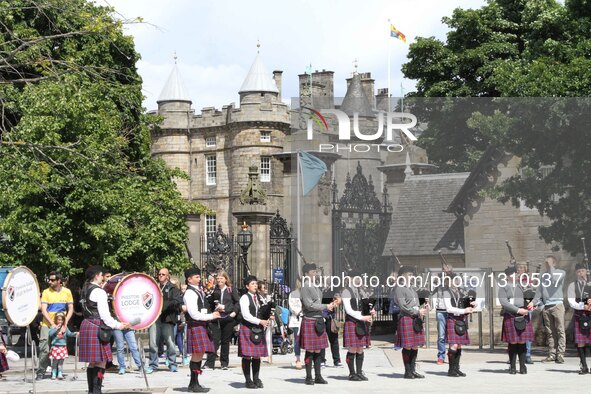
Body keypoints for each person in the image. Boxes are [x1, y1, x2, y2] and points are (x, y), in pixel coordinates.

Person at [79, 266, 130, 394]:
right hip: (97, 326)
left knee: (92, 362)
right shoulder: (99, 291)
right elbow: (105, 316)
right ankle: (97, 391)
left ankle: (92, 391)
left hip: (86, 324)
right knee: (101, 362)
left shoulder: (84, 289)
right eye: (102, 275)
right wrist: (118, 325)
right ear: (97, 275)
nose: (103, 278)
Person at [299, 263, 340, 385]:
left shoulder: (316, 286)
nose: (315, 274)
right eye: (312, 272)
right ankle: (308, 377)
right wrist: (325, 306)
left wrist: (331, 303)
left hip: (319, 320)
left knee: (318, 350)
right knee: (310, 350)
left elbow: (320, 302)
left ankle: (318, 376)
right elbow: (309, 305)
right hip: (310, 320)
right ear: (306, 274)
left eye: (315, 272)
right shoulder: (306, 286)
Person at [183, 267, 220, 393]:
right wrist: (211, 316)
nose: (199, 279)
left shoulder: (198, 291)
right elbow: (194, 314)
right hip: (196, 324)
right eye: (196, 277)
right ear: (189, 279)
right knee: (197, 355)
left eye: (199, 277)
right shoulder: (190, 293)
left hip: (201, 324)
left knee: (199, 354)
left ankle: (194, 383)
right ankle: (193, 384)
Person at [37, 271, 74, 380]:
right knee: (45, 348)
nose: (50, 281)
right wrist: (52, 324)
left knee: (60, 347)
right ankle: (41, 371)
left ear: (59, 281)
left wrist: (65, 322)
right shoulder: (46, 292)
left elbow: (70, 308)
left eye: (52, 280)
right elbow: (44, 310)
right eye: (49, 279)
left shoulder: (67, 292)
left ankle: (57, 371)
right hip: (47, 324)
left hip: (61, 324)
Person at [395, 266, 429, 379]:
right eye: (409, 275)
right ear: (403, 276)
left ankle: (413, 370)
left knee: (415, 346)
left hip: (415, 318)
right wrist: (417, 311)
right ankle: (407, 371)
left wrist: (423, 306)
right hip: (406, 318)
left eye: (412, 275)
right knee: (408, 346)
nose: (412, 276)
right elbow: (403, 306)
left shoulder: (412, 289)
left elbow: (415, 303)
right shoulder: (399, 288)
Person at [147, 268, 184, 373]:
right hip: (155, 318)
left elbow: (177, 301)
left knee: (170, 342)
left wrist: (163, 304)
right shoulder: (154, 287)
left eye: (163, 274)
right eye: (159, 274)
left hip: (167, 318)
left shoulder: (173, 288)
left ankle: (172, 363)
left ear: (168, 276)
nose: (160, 276)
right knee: (153, 342)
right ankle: (153, 364)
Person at [530, 255, 566, 363]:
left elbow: (555, 279)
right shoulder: (543, 276)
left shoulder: (561, 272)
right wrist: (533, 302)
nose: (547, 265)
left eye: (549, 263)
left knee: (560, 330)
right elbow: (539, 292)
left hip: (557, 305)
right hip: (547, 306)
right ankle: (551, 354)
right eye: (546, 263)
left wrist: (551, 267)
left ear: (554, 263)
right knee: (550, 332)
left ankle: (560, 355)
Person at [499, 266, 534, 375]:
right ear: (507, 277)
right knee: (513, 341)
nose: (513, 276)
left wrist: (532, 305)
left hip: (523, 315)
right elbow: (504, 302)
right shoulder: (503, 287)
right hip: (511, 315)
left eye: (515, 274)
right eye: (511, 275)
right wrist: (518, 310)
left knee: (522, 341)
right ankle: (513, 366)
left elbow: (532, 296)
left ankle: (522, 366)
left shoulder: (523, 286)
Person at [342, 270, 374, 381]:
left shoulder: (360, 292)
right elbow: (349, 310)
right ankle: (352, 373)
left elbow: (366, 307)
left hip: (361, 322)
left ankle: (359, 372)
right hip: (352, 322)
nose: (358, 280)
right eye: (356, 278)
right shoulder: (346, 291)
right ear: (350, 278)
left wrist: (370, 311)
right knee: (352, 348)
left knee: (360, 348)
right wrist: (362, 317)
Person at [239, 275, 270, 388]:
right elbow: (246, 315)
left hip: (257, 329)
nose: (255, 286)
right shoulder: (244, 298)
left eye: (256, 284)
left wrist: (267, 317)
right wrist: (260, 321)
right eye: (252, 284)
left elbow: (261, 311)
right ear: (247, 286)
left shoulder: (259, 298)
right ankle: (248, 380)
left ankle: (256, 379)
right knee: (247, 355)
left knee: (257, 355)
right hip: (247, 328)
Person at [204, 271, 240, 370]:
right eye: (218, 278)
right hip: (217, 317)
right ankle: (209, 363)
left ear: (226, 279)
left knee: (225, 341)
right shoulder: (214, 290)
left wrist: (234, 312)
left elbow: (237, 302)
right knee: (214, 340)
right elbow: (209, 302)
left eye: (221, 278)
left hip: (228, 317)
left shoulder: (231, 290)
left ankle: (224, 363)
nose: (219, 280)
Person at [443, 273, 475, 377]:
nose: (454, 282)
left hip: (461, 319)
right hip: (452, 319)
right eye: (451, 280)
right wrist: (464, 310)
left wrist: (472, 305)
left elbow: (466, 304)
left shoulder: (461, 292)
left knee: (459, 344)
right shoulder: (446, 293)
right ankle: (451, 370)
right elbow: (449, 309)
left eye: (456, 280)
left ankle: (457, 369)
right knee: (454, 345)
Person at [567, 262, 591, 374]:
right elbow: (571, 301)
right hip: (580, 315)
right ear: (576, 273)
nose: (581, 273)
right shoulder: (572, 285)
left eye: (582, 270)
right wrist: (583, 306)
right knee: (581, 342)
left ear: (586, 271)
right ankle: (584, 366)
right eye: (578, 271)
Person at [516, 262, 535, 364]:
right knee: (515, 332)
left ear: (526, 270)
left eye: (522, 268)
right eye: (519, 268)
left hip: (526, 308)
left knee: (526, 332)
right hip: (515, 308)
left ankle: (527, 354)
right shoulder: (513, 280)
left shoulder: (529, 281)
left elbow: (533, 295)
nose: (520, 270)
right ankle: (514, 353)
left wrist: (532, 305)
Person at [48, 312, 77, 380]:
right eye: (58, 319)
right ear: (56, 320)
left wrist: (75, 334)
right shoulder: (53, 327)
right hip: (55, 346)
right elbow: (50, 334)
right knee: (55, 362)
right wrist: (56, 329)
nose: (60, 321)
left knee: (61, 362)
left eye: (61, 320)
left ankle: (60, 373)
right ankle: (54, 373)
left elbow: (69, 334)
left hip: (63, 346)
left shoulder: (65, 328)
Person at [433, 265, 452, 365]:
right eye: (444, 270)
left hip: (452, 311)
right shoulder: (438, 280)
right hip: (441, 310)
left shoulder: (454, 280)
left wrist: (450, 276)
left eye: (447, 271)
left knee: (452, 335)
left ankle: (452, 355)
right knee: (441, 336)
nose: (445, 272)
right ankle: (441, 356)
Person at [288, 280, 303, 369]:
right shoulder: (293, 294)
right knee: (297, 339)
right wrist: (299, 312)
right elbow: (292, 306)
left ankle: (309, 358)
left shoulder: (307, 293)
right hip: (297, 319)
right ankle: (298, 358)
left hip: (307, 318)